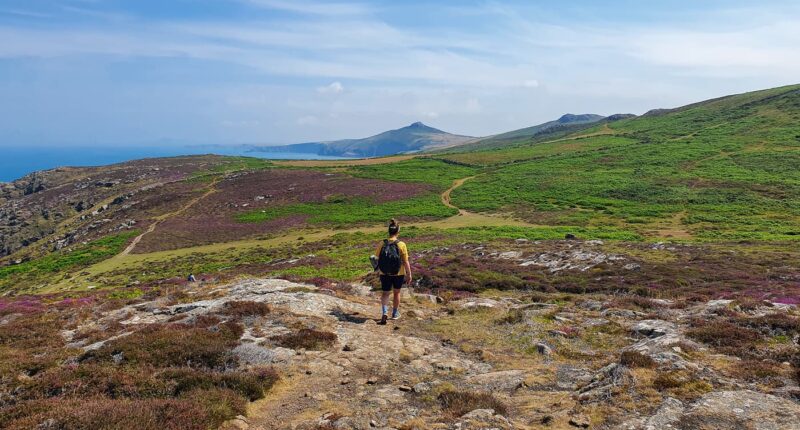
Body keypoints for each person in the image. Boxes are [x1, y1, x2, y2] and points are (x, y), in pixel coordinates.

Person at [373, 219, 412, 324]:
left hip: (384, 273)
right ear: (398, 232)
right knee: (396, 293)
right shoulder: (401, 244)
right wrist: (409, 274)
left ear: (389, 231)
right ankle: (394, 313)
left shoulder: (382, 243)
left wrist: (377, 269)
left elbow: (375, 258)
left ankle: (385, 312)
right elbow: (405, 261)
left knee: (385, 294)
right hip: (398, 273)